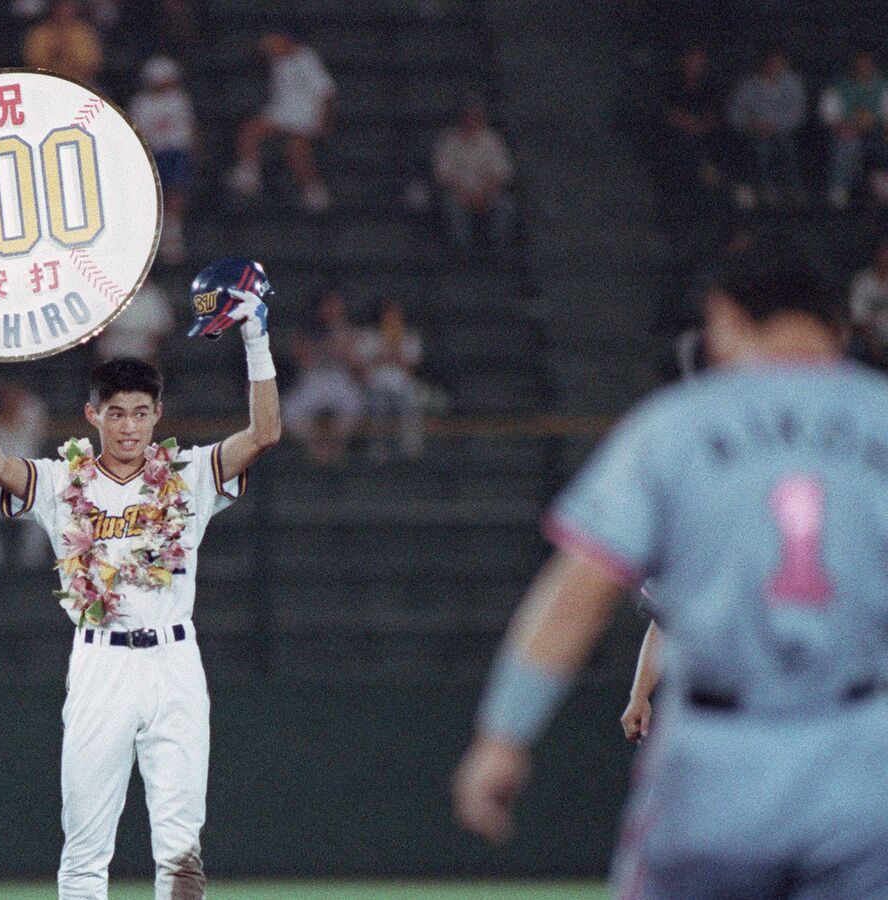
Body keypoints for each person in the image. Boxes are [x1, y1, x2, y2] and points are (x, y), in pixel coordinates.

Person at [454, 236, 888, 897]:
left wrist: (504, 733)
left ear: (724, 317)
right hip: (864, 754)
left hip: (717, 759)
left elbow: (579, 594)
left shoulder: (673, 427)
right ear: (838, 322)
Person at [0, 256, 280, 899]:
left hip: (174, 662)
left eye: (140, 412)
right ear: (92, 414)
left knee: (182, 850)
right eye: (117, 412)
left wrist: (256, 338)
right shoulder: (62, 480)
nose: (129, 425)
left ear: (158, 415)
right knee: (84, 850)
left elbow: (264, 433)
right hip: (100, 663)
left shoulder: (188, 476)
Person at [228, 31, 335, 213]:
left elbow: (326, 91)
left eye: (273, 43)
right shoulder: (277, 61)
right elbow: (254, 55)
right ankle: (249, 174)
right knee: (249, 131)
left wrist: (324, 120)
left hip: (303, 115)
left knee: (296, 152)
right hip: (279, 112)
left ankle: (314, 192)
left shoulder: (307, 58)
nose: (270, 48)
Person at [0, 380, 48, 572]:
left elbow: (25, 424)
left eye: (12, 391)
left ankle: (32, 565)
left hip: (26, 472)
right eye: (4, 392)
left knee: (38, 515)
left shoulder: (32, 408)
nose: (9, 396)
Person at [282, 287, 364, 465]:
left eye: (336, 305)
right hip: (313, 379)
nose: (333, 309)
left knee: (354, 406)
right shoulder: (306, 328)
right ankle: (315, 448)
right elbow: (301, 360)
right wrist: (320, 347)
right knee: (290, 411)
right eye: (329, 305)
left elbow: (355, 367)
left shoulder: (346, 329)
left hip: (339, 378)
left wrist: (340, 344)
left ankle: (336, 448)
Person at [129, 57, 195, 262]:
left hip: (176, 152)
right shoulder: (141, 103)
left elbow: (188, 130)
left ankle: (172, 233)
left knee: (176, 188)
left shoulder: (179, 99)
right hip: (152, 155)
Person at [432, 98, 515, 253]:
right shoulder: (448, 141)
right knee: (451, 205)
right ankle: (462, 249)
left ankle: (497, 248)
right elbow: (443, 175)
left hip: (487, 193)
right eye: (468, 115)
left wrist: (484, 194)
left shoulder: (492, 140)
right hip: (459, 194)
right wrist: (466, 195)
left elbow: (502, 173)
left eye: (476, 115)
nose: (471, 119)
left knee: (505, 204)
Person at [726, 48, 807, 208]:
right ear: (763, 64)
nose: (774, 68)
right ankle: (765, 188)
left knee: (787, 145)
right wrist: (752, 126)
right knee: (761, 148)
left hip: (783, 131)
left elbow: (799, 113)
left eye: (779, 64)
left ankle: (793, 188)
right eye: (771, 63)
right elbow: (734, 115)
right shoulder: (747, 86)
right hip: (754, 132)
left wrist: (774, 125)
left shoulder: (793, 84)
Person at [354, 297, 423, 461]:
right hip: (375, 388)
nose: (392, 318)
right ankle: (378, 453)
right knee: (378, 406)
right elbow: (360, 369)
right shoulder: (368, 337)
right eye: (389, 315)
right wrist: (383, 351)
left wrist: (395, 349)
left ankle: (411, 453)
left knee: (411, 403)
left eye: (396, 315)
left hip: (401, 388)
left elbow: (413, 368)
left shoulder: (410, 338)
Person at [819, 48, 888, 209]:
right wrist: (842, 127)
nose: (863, 67)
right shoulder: (838, 86)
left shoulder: (883, 85)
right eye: (859, 63)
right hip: (846, 131)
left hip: (876, 132)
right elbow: (827, 114)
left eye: (867, 63)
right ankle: (839, 189)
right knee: (847, 144)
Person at [660, 44, 723, 192]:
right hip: (678, 132)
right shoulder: (672, 84)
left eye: (699, 62)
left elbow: (715, 115)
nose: (694, 66)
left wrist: (700, 124)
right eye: (691, 61)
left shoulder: (710, 86)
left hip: (703, 131)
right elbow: (667, 111)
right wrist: (685, 121)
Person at [22, 0, 102, 88]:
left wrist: (68, 53)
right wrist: (53, 52)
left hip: (80, 84)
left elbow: (91, 63)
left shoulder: (83, 32)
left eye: (68, 7)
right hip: (46, 83)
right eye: (60, 7)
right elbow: (34, 62)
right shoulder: (40, 32)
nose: (64, 11)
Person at [94, 280, 173, 364]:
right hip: (113, 348)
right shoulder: (109, 293)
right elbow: (98, 326)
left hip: (142, 350)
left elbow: (163, 327)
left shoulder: (154, 295)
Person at [850, 232, 888, 367]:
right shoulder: (862, 281)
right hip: (870, 339)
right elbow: (859, 320)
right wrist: (873, 344)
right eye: (884, 252)